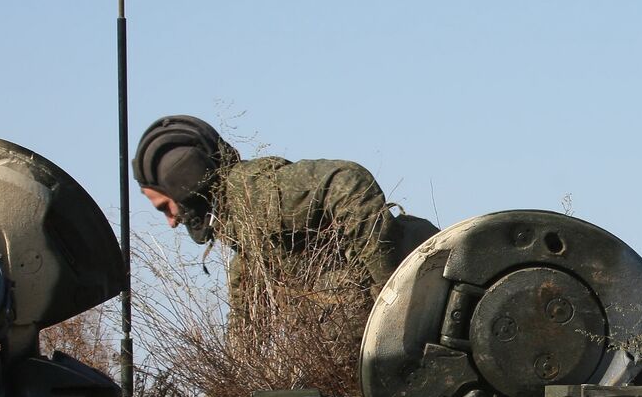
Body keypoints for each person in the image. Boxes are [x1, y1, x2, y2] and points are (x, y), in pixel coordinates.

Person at [132, 115, 437, 360]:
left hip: (414, 314)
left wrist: (388, 297)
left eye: (165, 208)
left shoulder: (257, 194)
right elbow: (246, 328)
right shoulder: (242, 230)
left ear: (184, 184)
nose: (171, 222)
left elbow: (347, 180)